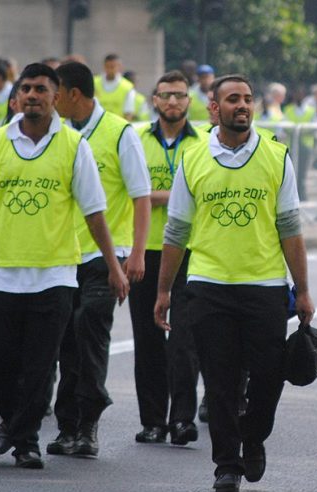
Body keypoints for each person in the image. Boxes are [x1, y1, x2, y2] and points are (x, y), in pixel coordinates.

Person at [0, 63, 128, 469]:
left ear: (55, 96)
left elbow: (95, 212)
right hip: (2, 272)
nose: (33, 95)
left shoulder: (73, 145)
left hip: (55, 274)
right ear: (17, 97)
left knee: (40, 363)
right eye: (26, 88)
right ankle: (14, 422)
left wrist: (113, 265)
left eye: (41, 89)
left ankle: (25, 440)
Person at [154, 74, 314, 492]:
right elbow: (176, 231)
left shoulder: (277, 157)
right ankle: (226, 462)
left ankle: (254, 435)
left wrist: (303, 289)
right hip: (209, 286)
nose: (242, 105)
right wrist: (164, 290)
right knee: (220, 380)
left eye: (247, 98)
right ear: (214, 107)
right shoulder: (193, 158)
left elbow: (291, 229)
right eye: (232, 99)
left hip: (264, 288)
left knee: (267, 378)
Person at [44, 61, 150, 457]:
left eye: (56, 94)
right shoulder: (53, 135)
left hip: (105, 259)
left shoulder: (120, 133)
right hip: (59, 257)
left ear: (72, 94)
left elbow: (141, 196)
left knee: (90, 332)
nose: (51, 102)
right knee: (63, 342)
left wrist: (135, 254)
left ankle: (87, 423)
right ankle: (66, 424)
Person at [129, 70, 208, 445]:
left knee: (185, 341)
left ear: (189, 102)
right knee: (147, 339)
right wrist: (169, 192)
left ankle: (181, 419)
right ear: (154, 101)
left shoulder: (205, 141)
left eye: (179, 95)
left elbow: (191, 191)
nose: (173, 101)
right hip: (145, 251)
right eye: (166, 95)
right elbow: (133, 193)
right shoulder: (136, 139)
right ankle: (152, 421)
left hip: (191, 251)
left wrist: (152, 193)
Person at [94, 54, 137, 121]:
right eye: (107, 67)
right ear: (104, 66)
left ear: (120, 67)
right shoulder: (94, 83)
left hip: (118, 127)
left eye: (112, 67)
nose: (110, 70)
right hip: (96, 125)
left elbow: (128, 113)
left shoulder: (127, 87)